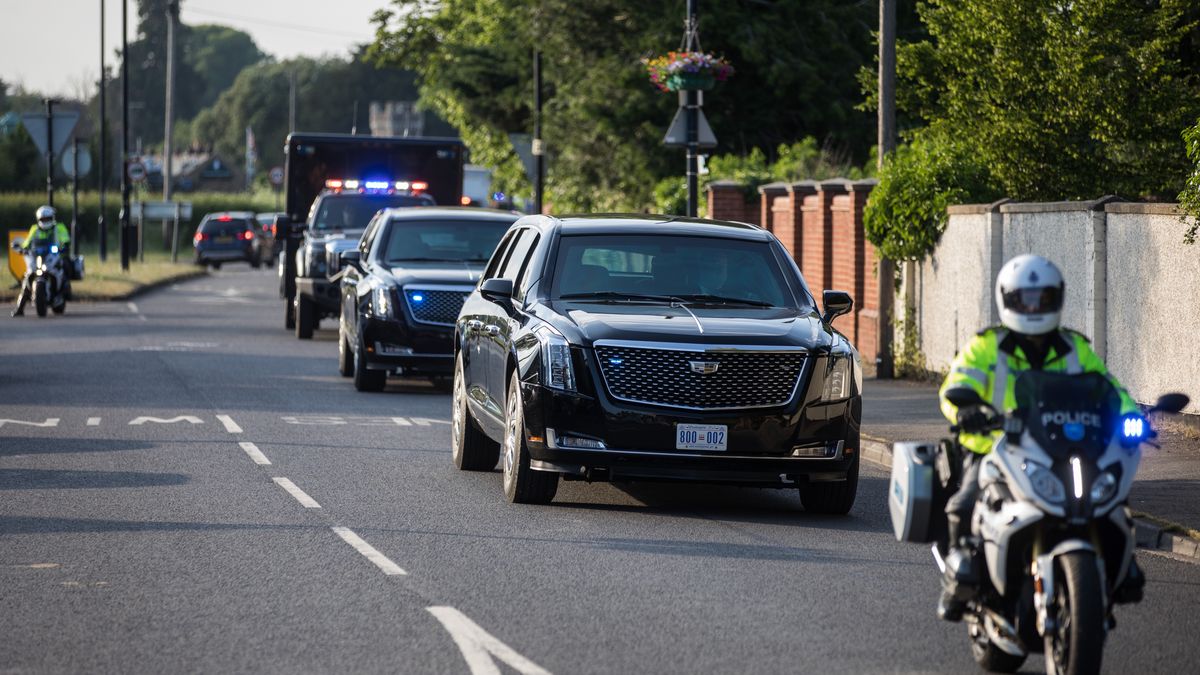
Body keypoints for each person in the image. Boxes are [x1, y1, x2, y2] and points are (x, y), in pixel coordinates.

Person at [935, 254, 1143, 621]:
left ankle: (1122, 568)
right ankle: (959, 582)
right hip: (996, 446)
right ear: (1007, 300)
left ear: (1056, 299)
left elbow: (1109, 388)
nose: (1033, 307)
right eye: (1024, 299)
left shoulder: (1074, 348)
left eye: (1041, 298)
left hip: (1062, 447)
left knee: (1111, 500)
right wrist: (966, 411)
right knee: (964, 504)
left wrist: (1130, 415)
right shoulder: (986, 346)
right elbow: (956, 385)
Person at [11, 205, 71, 317]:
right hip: (38, 256)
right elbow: (27, 242)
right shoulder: (35, 229)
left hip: (53, 255)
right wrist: (22, 248)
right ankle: (20, 308)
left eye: (47, 219)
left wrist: (64, 245)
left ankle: (65, 291)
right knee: (27, 277)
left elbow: (65, 239)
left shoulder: (59, 227)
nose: (45, 221)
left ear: (52, 218)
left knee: (65, 265)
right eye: (43, 219)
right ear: (39, 220)